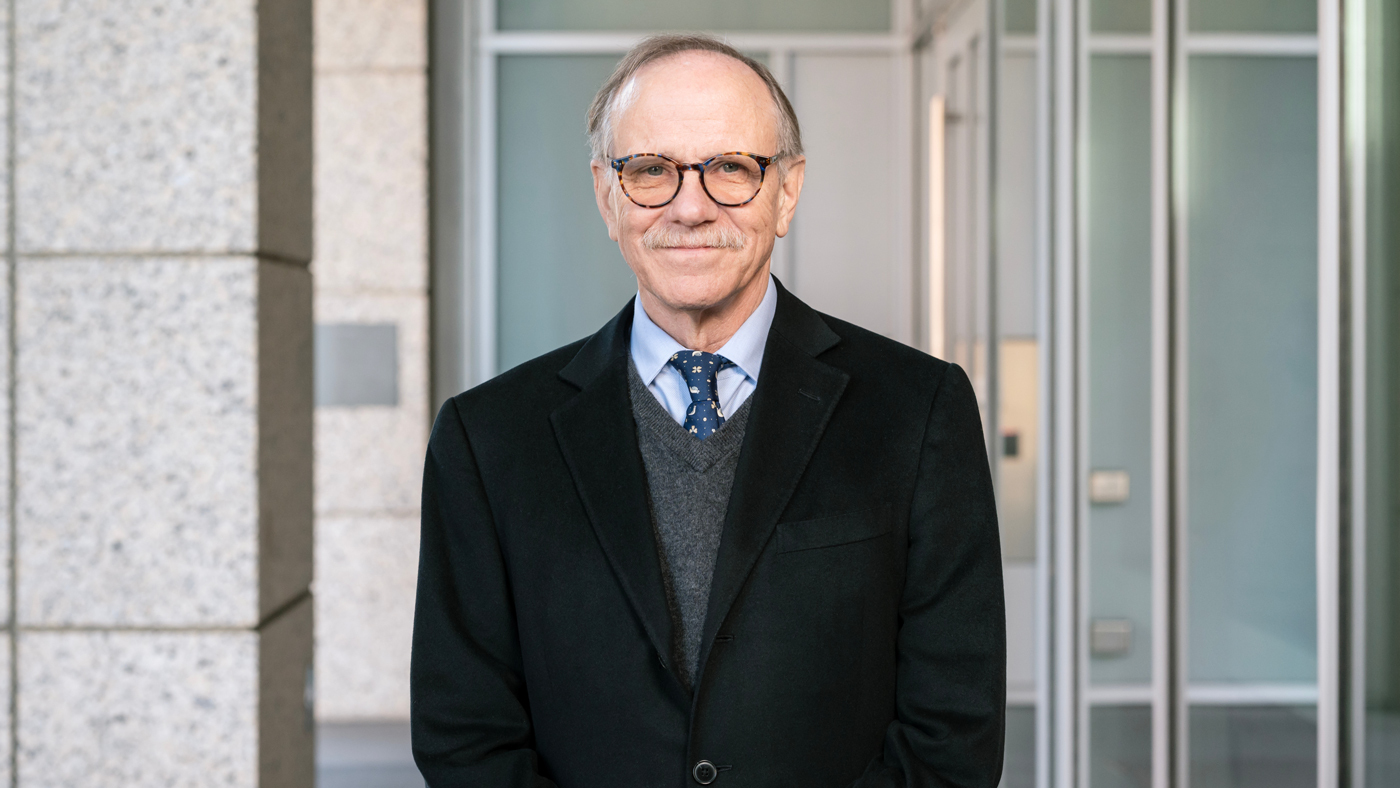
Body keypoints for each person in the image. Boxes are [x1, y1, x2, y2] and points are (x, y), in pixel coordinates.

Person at [411, 34, 1005, 788]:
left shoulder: (920, 413)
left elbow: (953, 732)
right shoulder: (487, 440)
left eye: (731, 168)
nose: (690, 208)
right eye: (652, 170)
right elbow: (464, 737)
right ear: (606, 194)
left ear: (786, 191)